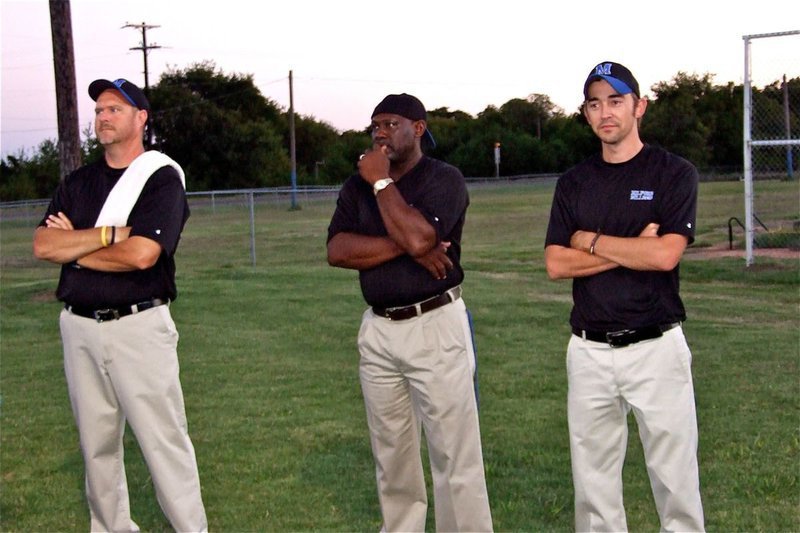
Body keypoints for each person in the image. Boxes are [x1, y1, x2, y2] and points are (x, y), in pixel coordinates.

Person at [33, 78, 207, 532]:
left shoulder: (160, 178)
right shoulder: (79, 182)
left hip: (139, 328)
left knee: (164, 443)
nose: (102, 117)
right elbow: (44, 245)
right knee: (97, 446)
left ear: (140, 118)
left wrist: (75, 250)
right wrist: (110, 235)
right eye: (99, 110)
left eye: (114, 109)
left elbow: (143, 255)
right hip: (80, 329)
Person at [544, 61, 705, 532]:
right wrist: (631, 246)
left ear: (639, 106)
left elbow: (665, 256)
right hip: (589, 349)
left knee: (675, 481)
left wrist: (588, 241)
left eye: (616, 101)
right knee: (593, 488)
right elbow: (555, 263)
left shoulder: (673, 173)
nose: (605, 112)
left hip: (656, 346)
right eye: (594, 103)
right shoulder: (574, 182)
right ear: (586, 114)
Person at [326, 93, 493, 532]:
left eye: (390, 123)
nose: (380, 132)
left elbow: (424, 241)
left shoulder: (444, 179)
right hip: (379, 330)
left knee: (454, 453)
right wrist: (408, 245)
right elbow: (338, 250)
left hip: (435, 324)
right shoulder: (354, 184)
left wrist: (383, 184)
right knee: (392, 454)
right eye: (375, 125)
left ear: (417, 129)